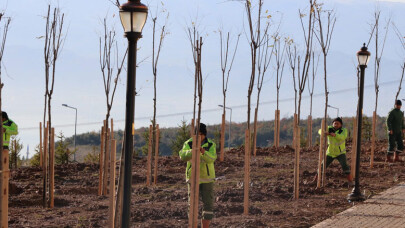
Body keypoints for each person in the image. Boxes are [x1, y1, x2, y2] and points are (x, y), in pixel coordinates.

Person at [179, 123, 217, 228]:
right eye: (196, 134)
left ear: (204, 134)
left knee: (208, 205)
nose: (198, 137)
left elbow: (212, 158)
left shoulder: (210, 145)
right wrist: (193, 150)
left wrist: (203, 152)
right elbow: (182, 155)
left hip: (207, 179)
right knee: (192, 205)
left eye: (201, 134)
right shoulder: (188, 143)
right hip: (192, 178)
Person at [316, 117, 353, 184]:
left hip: (340, 153)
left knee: (345, 166)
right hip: (330, 152)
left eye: (337, 124)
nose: (336, 125)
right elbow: (320, 131)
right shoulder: (329, 128)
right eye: (335, 123)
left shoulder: (343, 130)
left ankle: (350, 181)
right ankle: (316, 180)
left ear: (341, 125)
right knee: (322, 166)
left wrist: (335, 135)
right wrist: (324, 132)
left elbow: (342, 137)